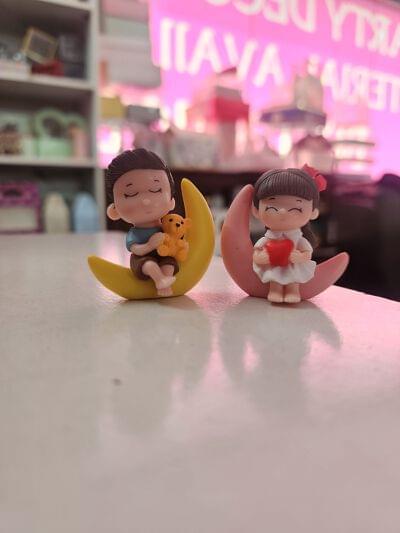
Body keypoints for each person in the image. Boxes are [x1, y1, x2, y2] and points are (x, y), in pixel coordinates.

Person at [106, 148, 178, 297]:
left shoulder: (165, 227)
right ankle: (159, 280)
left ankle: (166, 281)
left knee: (169, 262)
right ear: (114, 210)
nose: (146, 201)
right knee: (149, 264)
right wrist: (150, 245)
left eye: (156, 190)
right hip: (142, 259)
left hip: (163, 254)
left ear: (172, 201)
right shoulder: (134, 234)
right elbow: (136, 250)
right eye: (131, 194)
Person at [252, 165, 326, 303]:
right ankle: (275, 290)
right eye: (272, 206)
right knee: (274, 278)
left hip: (293, 264)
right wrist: (261, 257)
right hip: (274, 265)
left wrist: (300, 257)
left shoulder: (298, 239)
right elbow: (256, 253)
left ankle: (293, 291)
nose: (282, 211)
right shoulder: (268, 239)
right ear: (256, 211)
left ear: (313, 213)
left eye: (296, 208)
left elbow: (307, 253)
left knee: (294, 279)